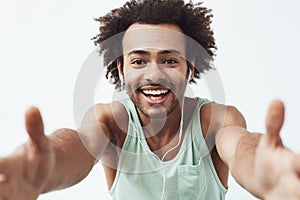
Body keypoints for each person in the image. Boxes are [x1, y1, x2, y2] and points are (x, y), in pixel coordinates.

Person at [0, 0, 300, 199]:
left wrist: (260, 167)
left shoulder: (217, 121)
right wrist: (46, 169)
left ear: (189, 68)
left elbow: (241, 147)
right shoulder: (109, 122)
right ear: (121, 68)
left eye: (170, 61)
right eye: (139, 61)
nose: (154, 74)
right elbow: (77, 145)